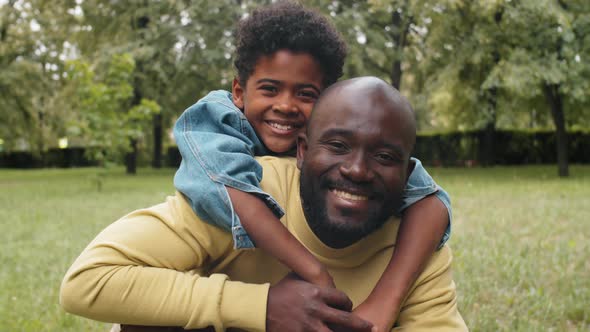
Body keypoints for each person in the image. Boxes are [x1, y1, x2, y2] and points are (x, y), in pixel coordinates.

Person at [60, 76, 467, 331]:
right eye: (338, 145)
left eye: (384, 157)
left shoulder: (416, 240)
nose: (358, 170)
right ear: (302, 151)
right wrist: (264, 307)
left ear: (409, 172)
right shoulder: (237, 192)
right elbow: (88, 281)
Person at [171, 2, 451, 330]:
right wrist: (314, 271)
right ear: (238, 91)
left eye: (305, 94)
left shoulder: (336, 145)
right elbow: (230, 192)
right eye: (270, 89)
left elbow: (429, 200)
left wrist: (385, 299)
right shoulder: (217, 121)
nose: (286, 106)